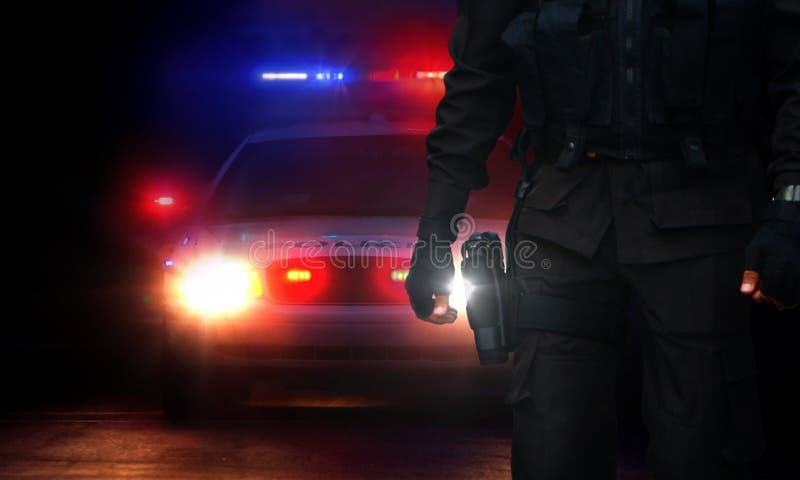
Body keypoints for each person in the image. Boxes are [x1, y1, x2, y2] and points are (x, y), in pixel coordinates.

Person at [404, 0, 799, 478]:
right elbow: (476, 81)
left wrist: (790, 209)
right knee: (551, 446)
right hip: (564, 217)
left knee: (699, 445)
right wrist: (434, 230)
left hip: (704, 212)